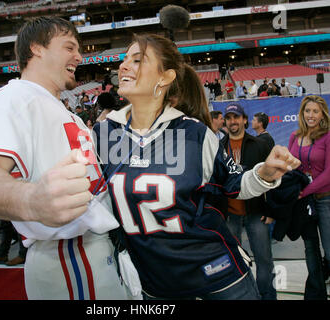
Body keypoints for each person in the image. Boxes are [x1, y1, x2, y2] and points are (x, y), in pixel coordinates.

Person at [93, 34, 300, 300]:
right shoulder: (103, 134)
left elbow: (234, 185)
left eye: (137, 60)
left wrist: (264, 173)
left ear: (165, 77)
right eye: (124, 60)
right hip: (155, 285)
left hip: (219, 277)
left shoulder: (195, 134)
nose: (123, 66)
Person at [0, 17, 131, 300]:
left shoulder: (56, 106)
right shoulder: (13, 98)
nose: (79, 56)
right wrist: (31, 199)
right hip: (69, 255)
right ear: (37, 48)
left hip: (94, 250)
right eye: (69, 47)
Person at [220, 104, 277, 300]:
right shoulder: (219, 148)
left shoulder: (260, 145)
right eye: (228, 118)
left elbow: (273, 178)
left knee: (264, 261)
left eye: (236, 117)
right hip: (230, 216)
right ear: (225, 122)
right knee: (234, 262)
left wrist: (271, 211)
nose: (232, 121)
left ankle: (268, 297)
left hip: (256, 212)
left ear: (245, 120)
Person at [288, 95, 330, 299]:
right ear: (302, 113)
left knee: (329, 252)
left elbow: (329, 173)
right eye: (307, 111)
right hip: (303, 203)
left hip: (325, 199)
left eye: (315, 111)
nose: (310, 115)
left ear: (322, 114)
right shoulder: (294, 136)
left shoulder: (328, 136)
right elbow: (289, 167)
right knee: (310, 249)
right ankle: (316, 294)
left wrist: (305, 190)